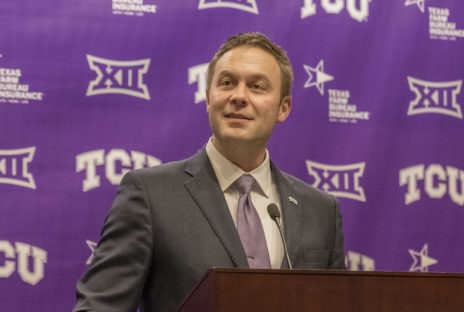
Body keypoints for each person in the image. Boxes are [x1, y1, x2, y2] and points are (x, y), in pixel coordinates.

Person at [73, 32, 345, 312]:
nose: (239, 96)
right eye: (227, 83)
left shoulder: (320, 210)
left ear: (283, 108)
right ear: (208, 98)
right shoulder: (151, 196)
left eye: (257, 86)